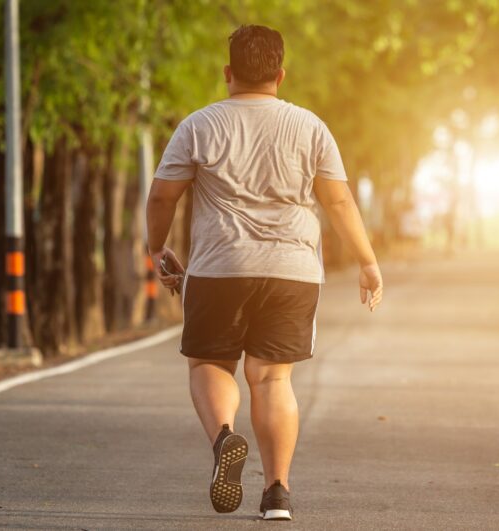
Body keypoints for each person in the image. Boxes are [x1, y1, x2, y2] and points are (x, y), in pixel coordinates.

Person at [145, 24, 383, 521]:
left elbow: (164, 195)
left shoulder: (199, 125)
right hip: (291, 269)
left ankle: (226, 437)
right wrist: (367, 261)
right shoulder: (309, 126)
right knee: (272, 378)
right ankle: (277, 492)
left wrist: (157, 247)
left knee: (209, 364)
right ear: (280, 73)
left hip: (219, 267)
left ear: (228, 73)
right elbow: (337, 200)